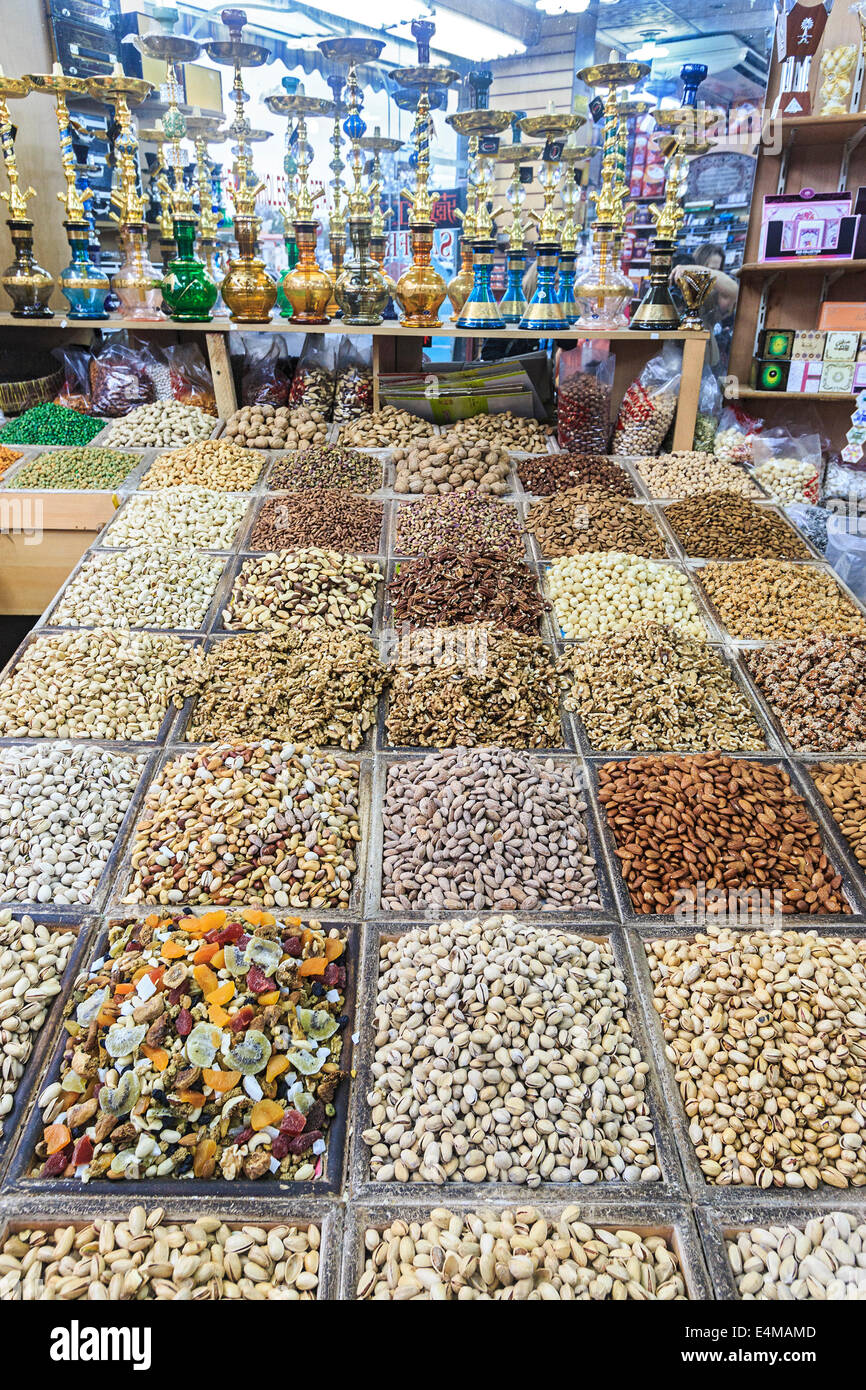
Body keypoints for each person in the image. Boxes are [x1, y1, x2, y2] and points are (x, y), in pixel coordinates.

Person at [670, 242, 739, 370]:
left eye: (715, 270)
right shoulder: (675, 288)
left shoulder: (713, 297)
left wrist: (696, 271)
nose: (708, 273)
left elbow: (733, 290)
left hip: (703, 364)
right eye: (705, 267)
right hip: (670, 360)